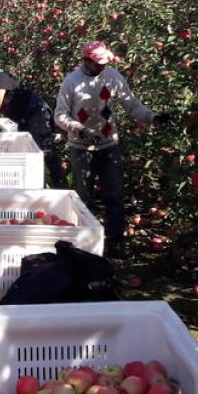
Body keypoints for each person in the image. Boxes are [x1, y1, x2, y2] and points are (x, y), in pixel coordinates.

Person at [53, 41, 169, 259]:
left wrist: (152, 117)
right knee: (82, 197)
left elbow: (131, 104)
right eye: (98, 63)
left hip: (108, 145)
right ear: (86, 61)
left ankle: (116, 242)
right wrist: (77, 127)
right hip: (81, 148)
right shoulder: (72, 82)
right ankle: (81, 245)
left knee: (114, 195)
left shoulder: (112, 77)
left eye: (105, 62)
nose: (102, 66)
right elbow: (60, 115)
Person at [0, 62, 65, 188]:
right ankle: (36, 184)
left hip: (36, 113)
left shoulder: (1, 77)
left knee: (43, 148)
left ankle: (59, 183)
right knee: (27, 150)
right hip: (22, 119)